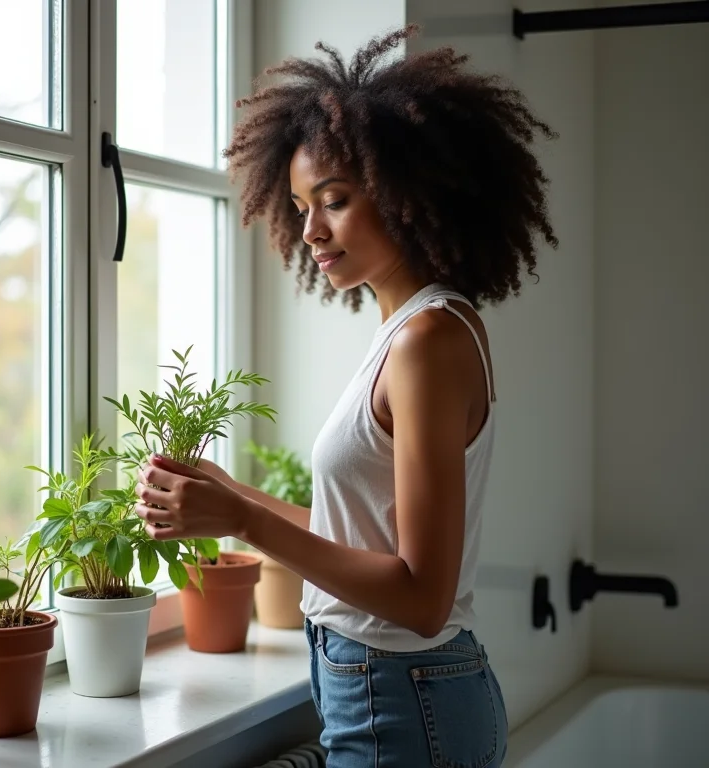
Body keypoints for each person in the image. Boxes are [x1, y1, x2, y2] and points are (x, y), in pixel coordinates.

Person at [133, 24, 557, 768]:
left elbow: (422, 598)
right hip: (396, 695)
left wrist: (242, 521)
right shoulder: (410, 331)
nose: (312, 230)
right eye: (300, 206)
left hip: (404, 700)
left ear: (403, 193)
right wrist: (236, 497)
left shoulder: (429, 341)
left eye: (334, 199)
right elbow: (369, 537)